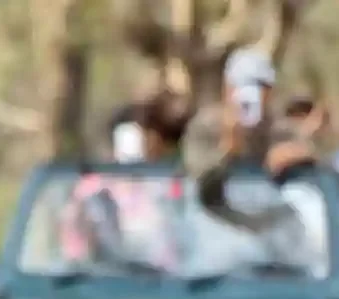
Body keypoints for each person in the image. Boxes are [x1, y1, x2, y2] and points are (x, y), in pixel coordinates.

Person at [182, 47, 319, 231]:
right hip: (213, 235)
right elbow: (197, 177)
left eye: (259, 85)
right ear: (227, 88)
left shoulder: (280, 129)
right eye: (240, 84)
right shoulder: (204, 127)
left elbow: (318, 165)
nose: (249, 94)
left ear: (270, 92)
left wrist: (295, 154)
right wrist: (227, 150)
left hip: (268, 236)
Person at [60, 91, 192, 268]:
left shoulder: (173, 185)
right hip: (106, 283)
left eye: (151, 137)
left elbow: (186, 241)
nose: (146, 145)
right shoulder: (92, 189)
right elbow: (75, 250)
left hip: (167, 284)